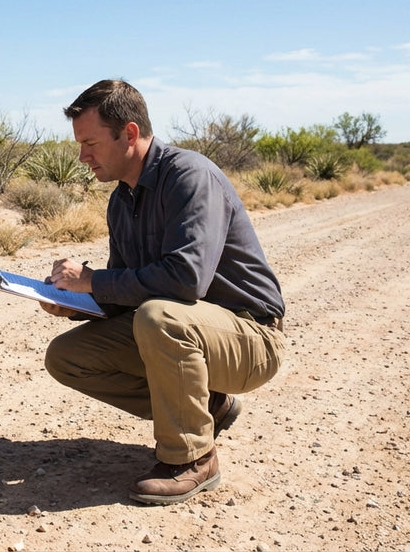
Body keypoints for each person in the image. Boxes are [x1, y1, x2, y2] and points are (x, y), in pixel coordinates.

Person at [41, 79, 285, 506]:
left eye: (91, 143)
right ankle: (207, 406)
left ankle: (192, 458)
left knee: (159, 317)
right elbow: (124, 292)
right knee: (67, 357)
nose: (83, 157)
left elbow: (185, 280)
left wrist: (92, 279)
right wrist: (74, 303)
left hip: (251, 337)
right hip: (188, 333)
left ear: (130, 134)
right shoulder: (121, 200)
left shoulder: (189, 176)